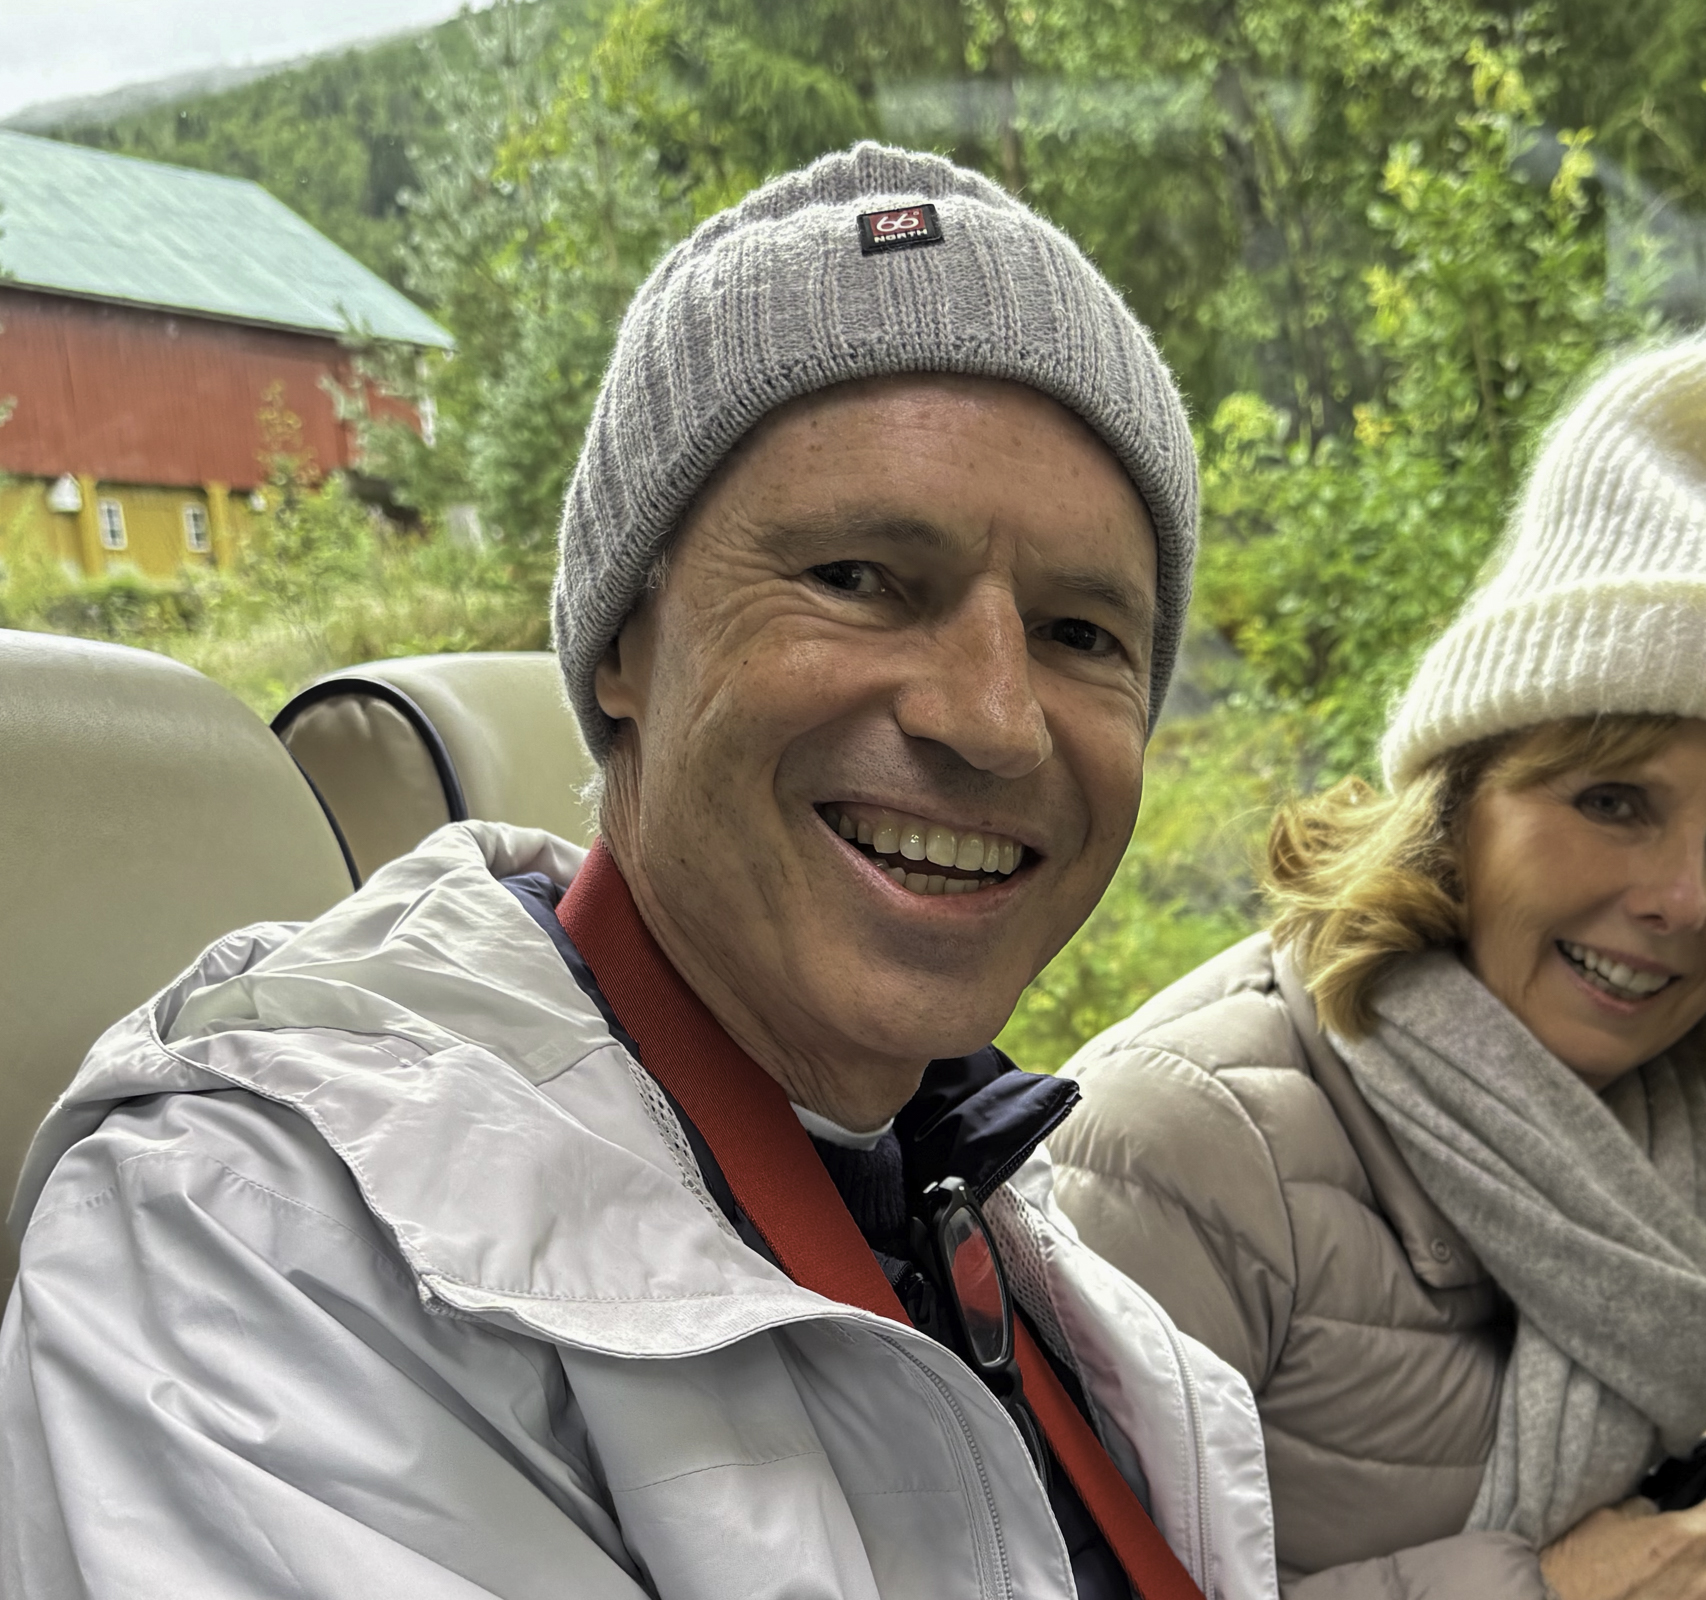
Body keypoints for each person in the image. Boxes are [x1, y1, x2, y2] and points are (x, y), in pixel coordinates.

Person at [0, 144, 1275, 1600]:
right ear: (620, 647)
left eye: (1082, 633)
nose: (991, 718)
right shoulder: (252, 1254)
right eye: (860, 579)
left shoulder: (982, 1216)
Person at [1048, 337, 1706, 1600]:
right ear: (1457, 804)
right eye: (1613, 799)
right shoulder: (1182, 1146)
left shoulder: (1648, 1128)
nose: (1679, 898)